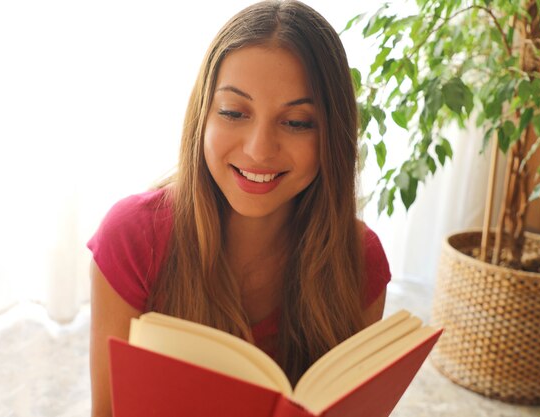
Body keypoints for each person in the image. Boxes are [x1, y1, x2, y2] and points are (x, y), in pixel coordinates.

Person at [87, 1, 391, 415]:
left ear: (331, 135)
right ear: (203, 118)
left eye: (297, 122)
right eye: (234, 112)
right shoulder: (132, 237)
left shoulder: (359, 259)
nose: (258, 150)